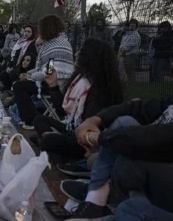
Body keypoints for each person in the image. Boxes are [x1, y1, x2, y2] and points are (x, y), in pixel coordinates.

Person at [61, 41, 173, 220]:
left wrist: (99, 138)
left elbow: (164, 137)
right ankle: (98, 197)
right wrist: (94, 120)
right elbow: (139, 108)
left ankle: (102, 194)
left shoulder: (96, 87)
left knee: (132, 158)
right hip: (158, 175)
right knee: (125, 127)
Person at [31, 38, 123, 171]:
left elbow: (88, 130)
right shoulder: (79, 80)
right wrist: (53, 85)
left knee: (48, 141)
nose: (76, 54)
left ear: (89, 58)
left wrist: (61, 136)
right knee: (39, 119)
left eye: (80, 52)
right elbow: (62, 112)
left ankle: (47, 141)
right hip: (72, 129)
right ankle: (49, 140)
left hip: (85, 141)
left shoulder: (99, 90)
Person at [12, 15, 74, 127]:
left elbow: (49, 72)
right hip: (54, 82)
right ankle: (32, 117)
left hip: (55, 86)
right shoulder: (59, 42)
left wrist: (29, 77)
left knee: (19, 86)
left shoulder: (56, 46)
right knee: (20, 83)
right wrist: (29, 74)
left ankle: (32, 119)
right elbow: (45, 68)